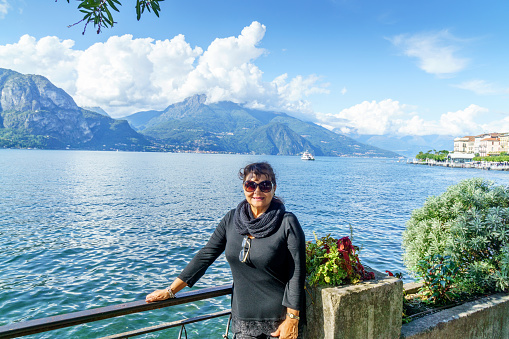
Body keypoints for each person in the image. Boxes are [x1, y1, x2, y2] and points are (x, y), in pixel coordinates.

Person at [146, 162, 306, 339]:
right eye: (251, 185)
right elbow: (206, 256)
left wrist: (292, 319)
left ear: (274, 188)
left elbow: (296, 273)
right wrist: (170, 291)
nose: (257, 191)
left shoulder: (286, 222)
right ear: (244, 188)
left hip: (279, 323)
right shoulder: (232, 219)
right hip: (242, 322)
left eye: (265, 185)